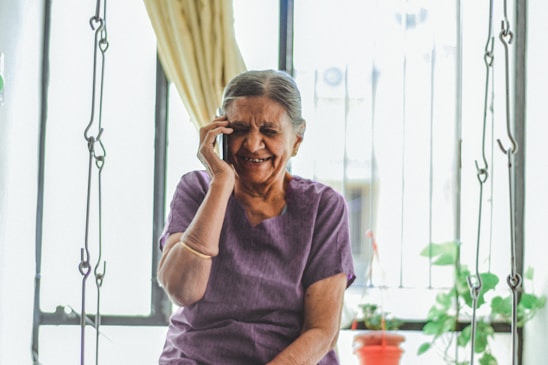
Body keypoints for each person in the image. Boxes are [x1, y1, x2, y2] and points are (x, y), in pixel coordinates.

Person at [157, 69, 355, 365]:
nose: (252, 144)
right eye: (238, 130)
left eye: (269, 131)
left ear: (297, 139)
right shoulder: (197, 189)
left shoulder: (323, 206)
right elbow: (182, 291)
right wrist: (220, 185)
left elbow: (321, 331)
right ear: (220, 130)